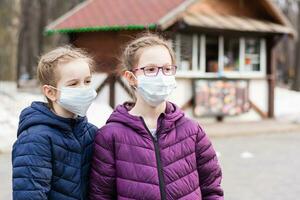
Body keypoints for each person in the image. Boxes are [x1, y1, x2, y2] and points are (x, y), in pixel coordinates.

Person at [89, 33, 224, 200]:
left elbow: (212, 189)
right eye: (151, 69)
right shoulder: (110, 136)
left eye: (167, 69)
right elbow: (101, 195)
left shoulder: (193, 131)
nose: (161, 76)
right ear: (131, 78)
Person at [12, 46, 98, 199]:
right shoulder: (34, 139)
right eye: (73, 84)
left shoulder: (91, 133)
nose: (83, 88)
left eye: (87, 81)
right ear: (51, 92)